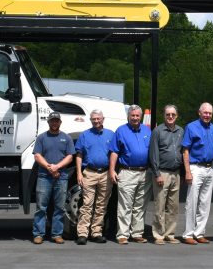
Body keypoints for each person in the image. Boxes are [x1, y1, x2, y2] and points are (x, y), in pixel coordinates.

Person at [109, 105, 152, 245]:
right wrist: (111, 170)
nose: (135, 118)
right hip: (127, 172)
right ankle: (122, 234)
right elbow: (114, 151)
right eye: (132, 115)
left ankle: (137, 233)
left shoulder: (147, 130)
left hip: (144, 173)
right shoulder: (121, 130)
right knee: (125, 205)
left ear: (140, 116)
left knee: (140, 206)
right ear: (128, 116)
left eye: (137, 115)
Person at [32, 111, 75, 245]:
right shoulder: (42, 138)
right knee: (41, 207)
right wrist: (49, 167)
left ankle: (57, 234)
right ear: (48, 122)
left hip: (61, 177)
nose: (54, 123)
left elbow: (70, 156)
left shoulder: (67, 138)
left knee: (59, 207)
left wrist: (57, 167)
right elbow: (37, 155)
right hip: (44, 176)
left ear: (60, 122)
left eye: (56, 121)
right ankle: (38, 234)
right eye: (52, 121)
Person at [73, 109, 114, 245]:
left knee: (102, 205)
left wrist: (113, 171)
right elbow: (79, 155)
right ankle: (82, 233)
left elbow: (115, 154)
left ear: (103, 119)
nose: (96, 121)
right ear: (90, 120)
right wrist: (79, 173)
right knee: (87, 204)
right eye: (93, 119)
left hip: (105, 174)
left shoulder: (110, 134)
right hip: (89, 173)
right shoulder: (85, 135)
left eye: (98, 118)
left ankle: (96, 232)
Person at [181, 102, 213, 245]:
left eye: (210, 113)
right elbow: (185, 150)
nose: (207, 115)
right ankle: (188, 234)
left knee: (205, 203)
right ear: (199, 112)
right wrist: (188, 171)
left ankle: (199, 232)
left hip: (209, 167)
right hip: (195, 166)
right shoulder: (191, 127)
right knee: (192, 201)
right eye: (205, 112)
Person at [148, 104, 184, 245]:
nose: (170, 117)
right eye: (168, 114)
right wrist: (157, 174)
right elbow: (153, 154)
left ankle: (170, 233)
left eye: (173, 115)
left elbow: (183, 151)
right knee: (160, 205)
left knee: (173, 206)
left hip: (176, 173)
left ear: (177, 116)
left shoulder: (181, 131)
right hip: (162, 172)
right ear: (164, 115)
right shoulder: (157, 131)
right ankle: (158, 234)